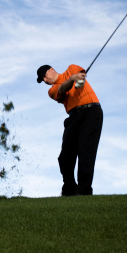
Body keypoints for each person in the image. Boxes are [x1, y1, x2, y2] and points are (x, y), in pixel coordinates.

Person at [36, 64, 103, 196]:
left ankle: (84, 191)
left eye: (44, 76)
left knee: (86, 152)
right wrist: (73, 79)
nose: (44, 80)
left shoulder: (72, 68)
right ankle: (70, 189)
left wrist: (77, 80)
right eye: (42, 79)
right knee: (65, 157)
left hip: (91, 112)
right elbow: (62, 89)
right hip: (73, 116)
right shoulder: (52, 90)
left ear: (51, 70)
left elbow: (80, 82)